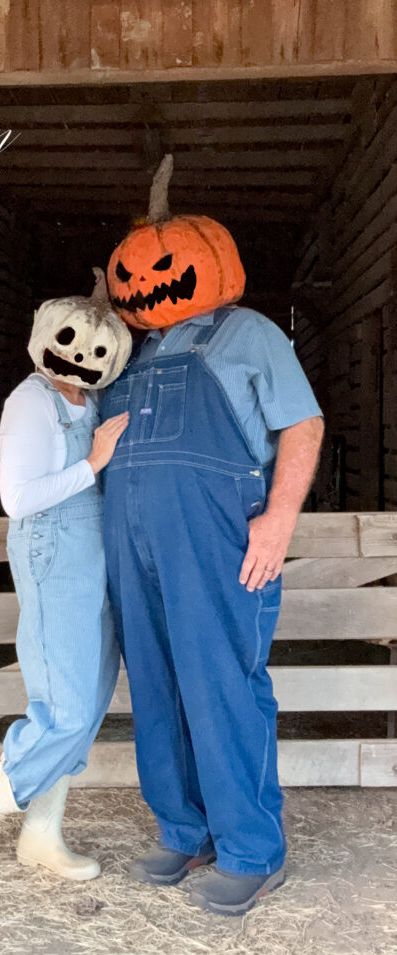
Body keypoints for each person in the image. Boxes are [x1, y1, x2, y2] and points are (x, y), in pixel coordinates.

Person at [100, 156, 325, 915]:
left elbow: (302, 422)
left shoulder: (247, 332)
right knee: (157, 689)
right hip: (132, 548)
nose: (144, 282)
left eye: (158, 266)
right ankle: (182, 828)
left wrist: (278, 518)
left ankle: (253, 851)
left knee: (222, 686)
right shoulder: (124, 353)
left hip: (217, 542)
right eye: (130, 272)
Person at [0, 270, 131, 880]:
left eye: (96, 351)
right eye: (71, 342)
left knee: (94, 690)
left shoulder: (87, 397)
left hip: (92, 547)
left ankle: (42, 835)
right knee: (66, 705)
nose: (80, 358)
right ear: (44, 336)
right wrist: (94, 462)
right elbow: (18, 498)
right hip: (53, 546)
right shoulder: (31, 400)